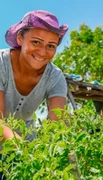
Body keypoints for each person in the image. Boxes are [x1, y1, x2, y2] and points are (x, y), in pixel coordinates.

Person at [0, 10, 69, 178]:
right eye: (36, 42)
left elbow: (58, 124)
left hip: (27, 147)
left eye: (51, 46)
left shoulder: (55, 77)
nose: (43, 52)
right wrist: (28, 153)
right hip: (22, 149)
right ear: (20, 39)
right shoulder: (1, 63)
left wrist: (54, 153)